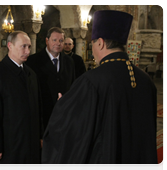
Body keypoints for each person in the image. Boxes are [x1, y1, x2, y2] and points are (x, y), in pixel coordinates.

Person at [42, 10, 158, 170]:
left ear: (100, 43)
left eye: (92, 43)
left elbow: (70, 133)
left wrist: (63, 108)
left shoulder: (91, 81)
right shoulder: (146, 80)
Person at [0, 31, 41, 170]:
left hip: (27, 141)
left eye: (29, 47)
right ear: (10, 46)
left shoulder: (31, 74)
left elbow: (38, 109)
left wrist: (39, 136)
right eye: (23, 46)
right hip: (8, 143)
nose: (27, 51)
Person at [26, 27, 75, 131]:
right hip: (43, 115)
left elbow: (73, 85)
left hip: (64, 115)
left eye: (61, 41)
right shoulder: (33, 61)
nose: (58, 43)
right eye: (54, 40)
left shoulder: (69, 61)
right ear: (47, 41)